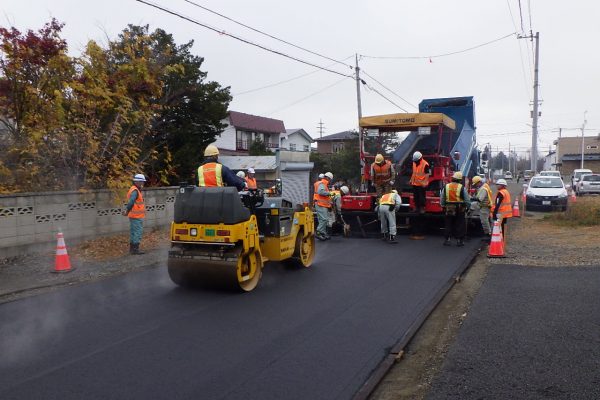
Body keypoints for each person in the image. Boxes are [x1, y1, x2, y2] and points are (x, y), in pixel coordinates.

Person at [440, 172, 471, 246]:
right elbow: (467, 199)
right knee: (459, 223)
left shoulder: (446, 186)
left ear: (452, 178)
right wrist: (468, 207)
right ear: (460, 180)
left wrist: (443, 206)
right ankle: (459, 241)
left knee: (448, 223)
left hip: (449, 207)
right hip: (460, 207)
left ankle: (447, 240)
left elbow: (442, 198)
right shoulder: (461, 187)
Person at [123, 174, 147, 255]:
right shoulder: (135, 191)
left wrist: (127, 211)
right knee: (137, 232)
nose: (142, 184)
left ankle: (132, 250)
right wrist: (127, 211)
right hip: (136, 216)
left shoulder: (134, 189)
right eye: (142, 182)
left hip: (134, 216)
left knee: (134, 232)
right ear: (137, 182)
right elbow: (131, 202)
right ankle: (135, 250)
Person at [409, 151, 430, 240]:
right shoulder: (414, 162)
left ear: (420, 158)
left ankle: (422, 208)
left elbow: (427, 174)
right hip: (415, 183)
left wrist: (425, 182)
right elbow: (414, 173)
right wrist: (411, 180)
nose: (415, 161)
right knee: (416, 197)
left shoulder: (425, 164)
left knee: (422, 197)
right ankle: (417, 207)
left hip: (422, 184)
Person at [470, 175, 493, 241]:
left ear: (479, 182)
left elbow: (480, 199)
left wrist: (471, 198)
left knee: (484, 220)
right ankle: (469, 218)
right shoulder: (484, 186)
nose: (476, 186)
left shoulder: (483, 189)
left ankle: (488, 235)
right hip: (483, 205)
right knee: (472, 205)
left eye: (476, 184)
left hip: (484, 206)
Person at [313, 172, 333, 241]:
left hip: (322, 204)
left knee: (323, 219)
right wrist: (330, 193)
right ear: (328, 178)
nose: (330, 181)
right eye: (330, 179)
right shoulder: (322, 184)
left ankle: (323, 233)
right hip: (320, 204)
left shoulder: (323, 184)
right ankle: (318, 232)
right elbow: (320, 192)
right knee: (324, 219)